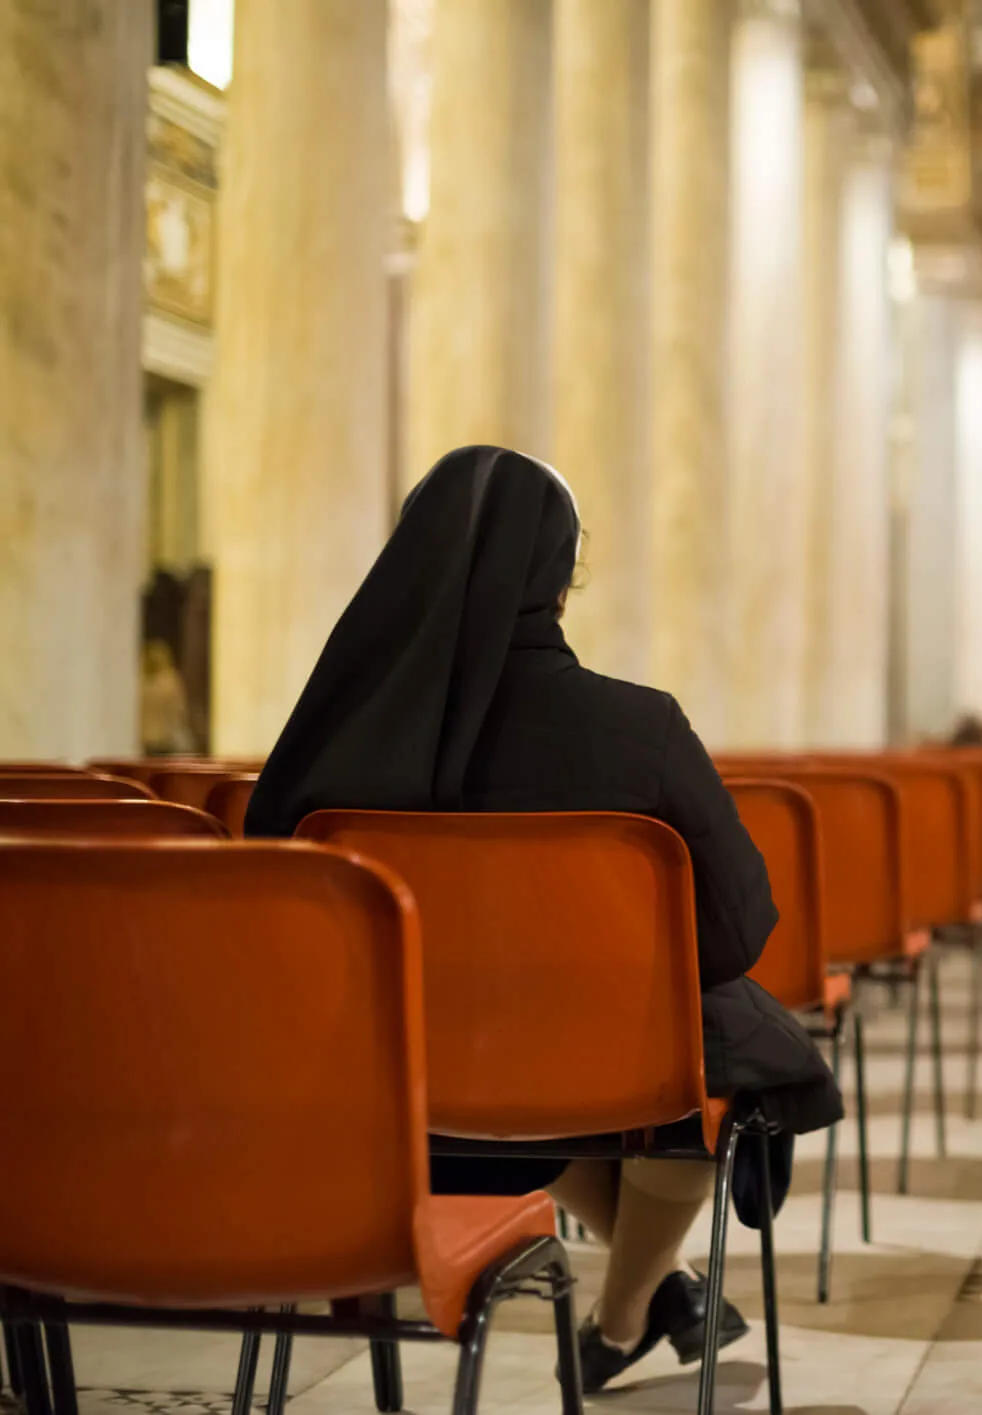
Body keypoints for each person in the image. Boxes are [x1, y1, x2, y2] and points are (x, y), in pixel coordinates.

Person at [245, 447, 841, 1390]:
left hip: (398, 1062)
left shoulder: (331, 741)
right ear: (560, 581)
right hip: (593, 1056)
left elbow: (277, 927)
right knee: (675, 1050)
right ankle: (625, 1310)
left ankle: (656, 1294)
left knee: (512, 1044)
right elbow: (734, 935)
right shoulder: (639, 728)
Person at [138, 639, 197, 755]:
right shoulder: (171, 681)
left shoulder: (141, 683)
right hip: (165, 739)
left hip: (144, 739)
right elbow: (180, 711)